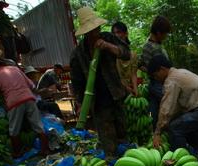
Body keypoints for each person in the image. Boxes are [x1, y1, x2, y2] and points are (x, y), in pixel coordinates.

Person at [70, 8, 131, 157]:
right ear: (85, 33)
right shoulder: (78, 53)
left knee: (123, 131)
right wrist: (80, 103)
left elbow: (126, 54)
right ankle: (112, 162)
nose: (95, 34)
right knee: (107, 140)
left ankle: (128, 159)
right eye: (91, 31)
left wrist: (109, 47)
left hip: (116, 94)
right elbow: (77, 82)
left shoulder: (108, 38)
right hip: (97, 101)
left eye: (96, 29)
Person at [149, 55, 198, 158]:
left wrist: (157, 133)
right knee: (183, 126)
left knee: (175, 127)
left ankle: (179, 159)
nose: (157, 79)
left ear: (162, 69)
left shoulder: (171, 80)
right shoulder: (179, 72)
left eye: (156, 75)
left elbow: (166, 109)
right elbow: (175, 107)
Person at [0, 55, 49, 157]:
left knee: (14, 130)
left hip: (14, 102)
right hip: (29, 98)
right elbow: (31, 85)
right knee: (38, 126)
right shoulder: (14, 69)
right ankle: (45, 150)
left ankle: (17, 153)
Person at [139, 16, 172, 125]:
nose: (166, 36)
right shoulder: (150, 47)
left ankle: (156, 134)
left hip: (159, 83)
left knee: (154, 111)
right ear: (158, 33)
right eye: (165, 34)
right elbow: (142, 65)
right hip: (157, 83)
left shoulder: (157, 45)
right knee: (169, 106)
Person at [112, 22, 139, 97]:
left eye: (119, 32)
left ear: (126, 33)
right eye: (114, 33)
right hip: (116, 90)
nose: (116, 35)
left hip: (130, 88)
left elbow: (133, 74)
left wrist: (135, 88)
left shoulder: (133, 55)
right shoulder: (112, 54)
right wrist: (125, 87)